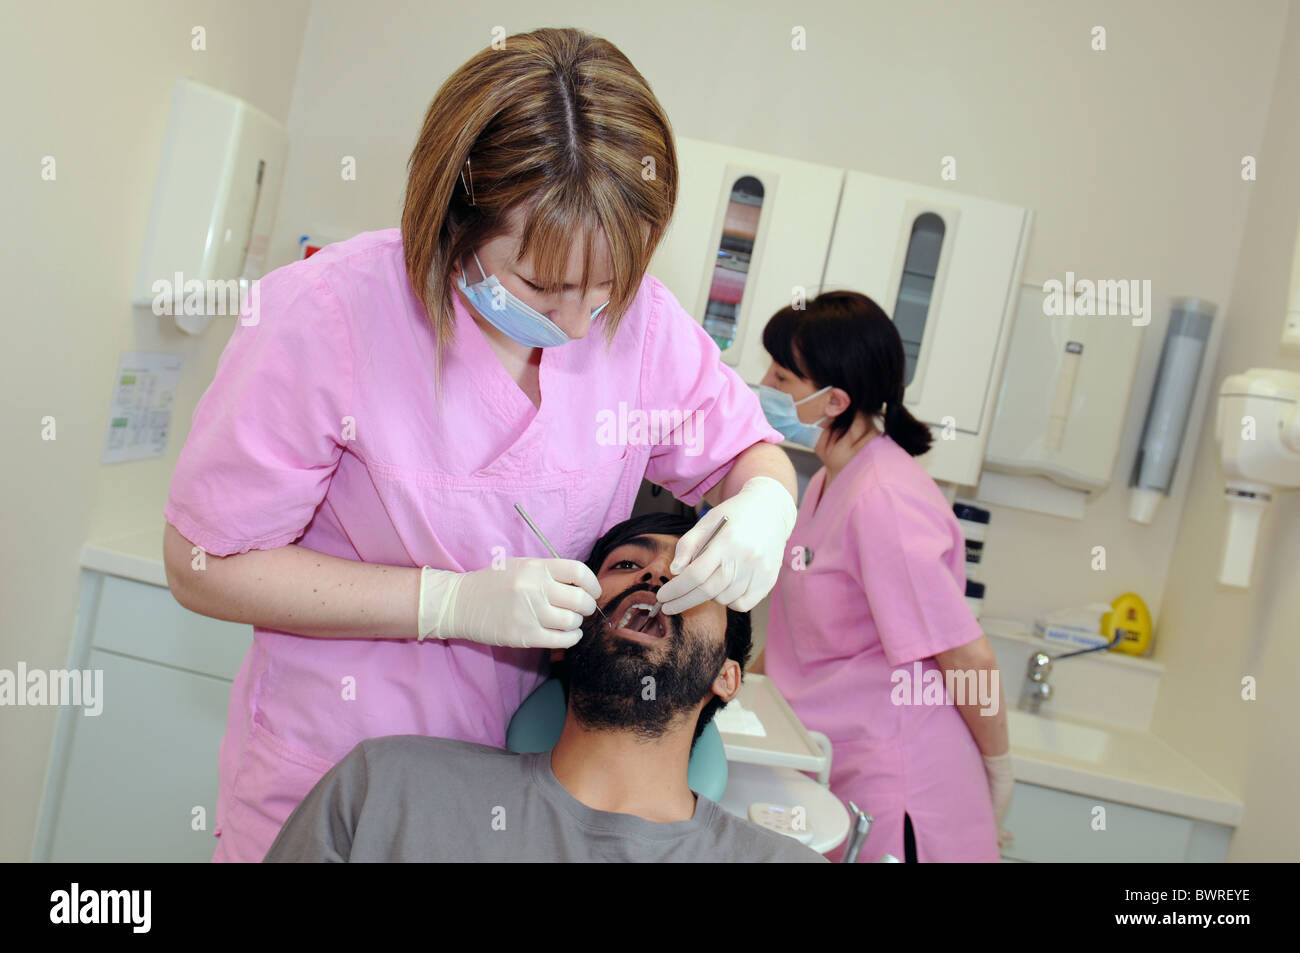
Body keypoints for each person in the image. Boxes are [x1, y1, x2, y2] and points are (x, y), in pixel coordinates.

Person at [162, 27, 797, 863]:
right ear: (455, 215)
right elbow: (199, 564)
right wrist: (443, 603)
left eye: (604, 289)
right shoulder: (329, 318)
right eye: (541, 285)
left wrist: (766, 502)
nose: (576, 323)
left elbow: (747, 449)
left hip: (525, 793)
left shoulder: (640, 330)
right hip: (341, 781)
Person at [263, 513, 825, 863]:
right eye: (628, 563)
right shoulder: (385, 789)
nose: (656, 577)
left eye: (692, 576)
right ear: (559, 641)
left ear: (728, 677)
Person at [749, 291, 1011, 862]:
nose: (762, 386)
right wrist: (737, 688)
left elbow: (968, 657)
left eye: (780, 377)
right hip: (839, 767)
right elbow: (804, 638)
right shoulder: (825, 483)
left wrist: (998, 769)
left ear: (834, 400)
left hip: (904, 791)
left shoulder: (884, 498)